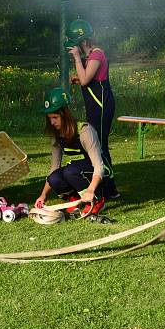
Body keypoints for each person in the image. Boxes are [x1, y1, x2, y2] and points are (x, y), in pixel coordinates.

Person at [65, 19, 119, 198]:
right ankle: (101, 186)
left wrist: (76, 59)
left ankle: (110, 189)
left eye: (75, 46)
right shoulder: (90, 58)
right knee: (96, 144)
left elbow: (87, 79)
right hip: (94, 106)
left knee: (100, 146)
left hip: (101, 106)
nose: (74, 50)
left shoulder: (97, 55)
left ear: (84, 42)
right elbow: (88, 79)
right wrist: (77, 78)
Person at [34, 87, 106, 217]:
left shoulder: (85, 130)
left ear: (65, 114)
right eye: (49, 118)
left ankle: (97, 200)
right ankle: (74, 200)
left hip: (95, 176)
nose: (52, 122)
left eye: (55, 117)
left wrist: (91, 190)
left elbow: (99, 166)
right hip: (75, 171)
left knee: (70, 171)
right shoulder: (56, 135)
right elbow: (54, 168)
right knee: (54, 178)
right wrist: (43, 195)